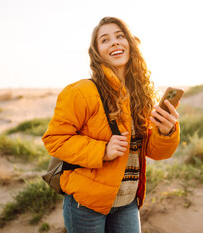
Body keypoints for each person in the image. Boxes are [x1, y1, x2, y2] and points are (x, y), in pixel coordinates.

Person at [42, 16, 180, 233]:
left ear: (130, 44)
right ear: (97, 52)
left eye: (120, 36)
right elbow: (54, 140)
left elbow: (153, 152)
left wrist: (165, 131)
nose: (114, 42)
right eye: (104, 40)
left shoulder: (141, 96)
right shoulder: (81, 91)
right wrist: (102, 151)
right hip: (86, 203)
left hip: (128, 201)